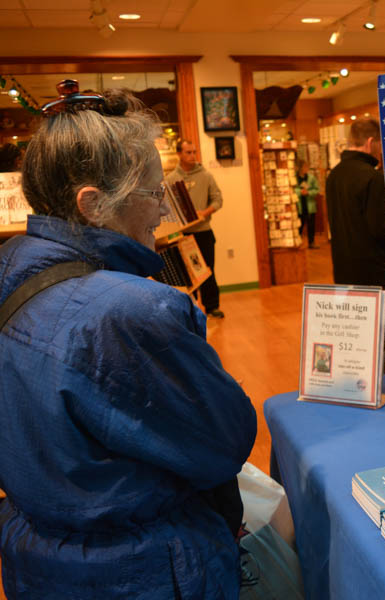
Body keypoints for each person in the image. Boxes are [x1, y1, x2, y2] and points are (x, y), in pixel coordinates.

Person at [0, 82, 256, 598]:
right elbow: (224, 439)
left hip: (37, 561)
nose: (164, 211)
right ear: (94, 204)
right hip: (144, 571)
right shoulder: (127, 311)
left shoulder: (10, 272)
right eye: (153, 193)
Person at [326, 118, 385, 288]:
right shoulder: (373, 178)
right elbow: (383, 229)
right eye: (381, 144)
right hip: (373, 274)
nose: (382, 150)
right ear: (371, 142)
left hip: (343, 270)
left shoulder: (334, 175)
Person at [166, 139, 225, 318]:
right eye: (188, 152)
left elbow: (218, 200)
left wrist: (204, 212)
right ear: (179, 155)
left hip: (203, 233)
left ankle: (212, 306)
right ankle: (192, 309)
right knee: (186, 274)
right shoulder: (170, 179)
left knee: (207, 270)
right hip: (182, 235)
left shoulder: (206, 176)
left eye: (194, 152)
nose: (192, 156)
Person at [295, 159, 320, 248]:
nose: (307, 168)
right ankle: (298, 242)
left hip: (310, 205)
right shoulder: (295, 178)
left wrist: (308, 193)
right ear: (300, 168)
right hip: (299, 206)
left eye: (307, 166)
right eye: (305, 167)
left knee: (311, 225)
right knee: (299, 226)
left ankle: (311, 242)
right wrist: (300, 192)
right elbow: (292, 189)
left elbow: (317, 189)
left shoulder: (311, 178)